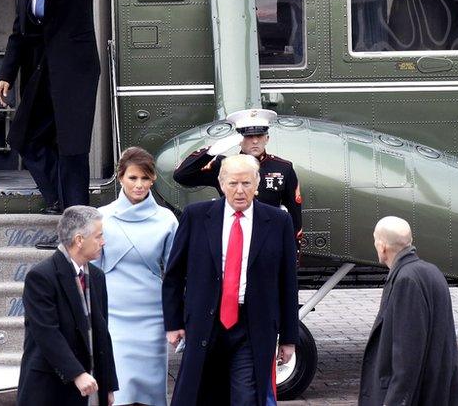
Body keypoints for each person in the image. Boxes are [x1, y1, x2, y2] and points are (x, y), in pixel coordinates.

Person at [0, 0, 117, 214]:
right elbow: (19, 32)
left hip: (74, 71)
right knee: (26, 138)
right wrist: (6, 74)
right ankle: (58, 199)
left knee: (72, 145)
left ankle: (75, 213)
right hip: (41, 72)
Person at [163, 154, 298, 406]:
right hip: (206, 321)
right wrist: (173, 323)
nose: (239, 191)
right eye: (233, 184)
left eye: (246, 184)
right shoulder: (196, 216)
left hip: (251, 324)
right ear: (222, 183)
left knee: (246, 398)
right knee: (200, 394)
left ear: (257, 184)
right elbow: (173, 274)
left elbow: (288, 283)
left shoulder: (278, 221)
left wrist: (289, 337)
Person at [94, 147, 178, 406]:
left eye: (145, 178)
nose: (139, 185)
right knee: (117, 392)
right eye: (133, 178)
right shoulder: (101, 217)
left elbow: (175, 274)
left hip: (152, 316)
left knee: (150, 394)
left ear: (153, 179)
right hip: (113, 314)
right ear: (120, 178)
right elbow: (92, 271)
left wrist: (176, 319)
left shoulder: (166, 220)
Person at [18, 206, 119, 406]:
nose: (103, 242)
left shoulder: (97, 277)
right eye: (98, 237)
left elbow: (102, 335)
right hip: (50, 388)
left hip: (89, 386)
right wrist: (77, 373)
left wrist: (108, 384)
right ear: (79, 240)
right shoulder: (41, 277)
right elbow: (47, 334)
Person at [359, 216, 458, 406]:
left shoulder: (406, 280)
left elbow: (407, 357)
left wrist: (396, 401)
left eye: (375, 240)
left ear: (382, 246)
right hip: (437, 392)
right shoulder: (432, 272)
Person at [173, 108, 303, 242]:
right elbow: (181, 176)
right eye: (249, 136)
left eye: (259, 136)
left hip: (268, 239)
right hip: (232, 236)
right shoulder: (224, 166)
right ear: (239, 139)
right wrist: (209, 152)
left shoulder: (283, 168)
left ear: (267, 138)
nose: (255, 141)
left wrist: (292, 256)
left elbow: (294, 215)